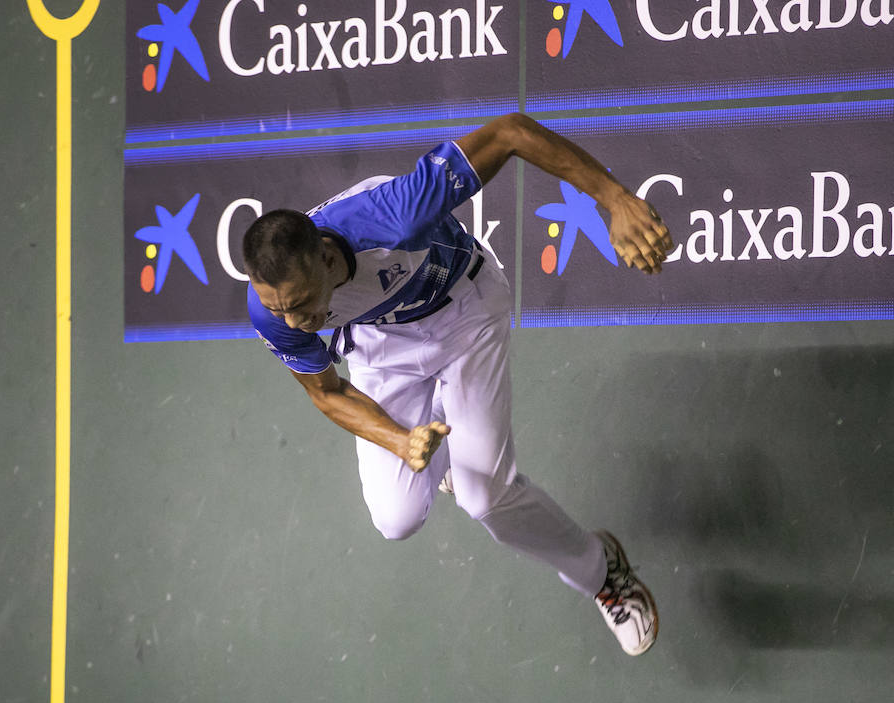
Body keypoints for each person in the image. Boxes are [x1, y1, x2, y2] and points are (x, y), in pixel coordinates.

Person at [242, 113, 673, 656]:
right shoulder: (272, 309)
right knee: (395, 519)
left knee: (484, 498)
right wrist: (400, 441)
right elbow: (327, 391)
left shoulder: (395, 214)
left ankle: (600, 572)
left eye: (303, 304)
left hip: (465, 312)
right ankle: (448, 443)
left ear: (327, 259)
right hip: (381, 342)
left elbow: (511, 133)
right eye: (279, 308)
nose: (294, 321)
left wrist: (616, 199)